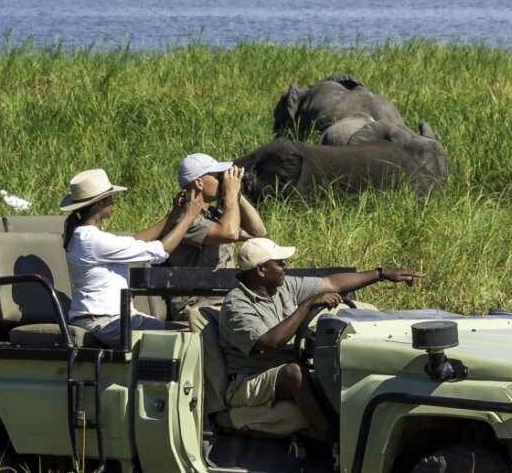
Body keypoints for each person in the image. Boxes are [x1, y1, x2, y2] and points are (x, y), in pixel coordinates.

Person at [220, 237, 423, 442]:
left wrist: (381, 274)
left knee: (330, 365)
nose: (285, 267)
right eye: (280, 263)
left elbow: (331, 283)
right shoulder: (236, 305)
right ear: (262, 270)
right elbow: (270, 343)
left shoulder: (282, 286)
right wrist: (306, 306)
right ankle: (327, 435)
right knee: (294, 372)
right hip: (250, 379)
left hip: (286, 364)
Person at [61, 168, 205, 348]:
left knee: (186, 332)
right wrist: (189, 216)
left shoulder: (87, 237)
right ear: (98, 204)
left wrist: (174, 215)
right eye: (110, 198)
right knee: (183, 339)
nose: (113, 202)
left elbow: (134, 241)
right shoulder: (91, 240)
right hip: (101, 320)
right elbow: (159, 252)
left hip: (115, 317)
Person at [172, 153, 268, 269]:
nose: (223, 181)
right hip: (198, 285)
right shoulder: (184, 217)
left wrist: (237, 195)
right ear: (199, 183)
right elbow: (229, 233)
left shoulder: (212, 215)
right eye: (218, 177)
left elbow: (257, 233)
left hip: (222, 284)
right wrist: (230, 193)